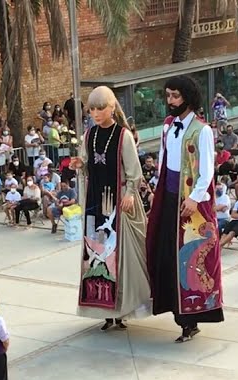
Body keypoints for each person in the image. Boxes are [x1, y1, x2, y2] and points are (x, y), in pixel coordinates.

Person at [143, 74, 224, 344]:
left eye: (175, 96)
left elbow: (207, 170)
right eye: (168, 96)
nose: (170, 101)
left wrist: (195, 198)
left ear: (187, 97)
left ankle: (190, 319)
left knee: (187, 259)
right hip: (168, 196)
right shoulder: (168, 126)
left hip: (191, 203)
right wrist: (157, 189)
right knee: (166, 253)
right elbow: (165, 161)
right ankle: (174, 309)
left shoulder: (202, 131)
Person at [70, 86, 151, 331]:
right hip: (96, 203)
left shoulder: (123, 135)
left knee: (120, 257)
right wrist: (79, 164)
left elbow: (134, 171)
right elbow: (86, 162)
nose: (95, 113)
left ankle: (122, 309)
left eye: (100, 108)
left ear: (112, 108)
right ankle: (104, 311)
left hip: (118, 204)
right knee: (96, 256)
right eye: (92, 109)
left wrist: (129, 193)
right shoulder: (88, 135)